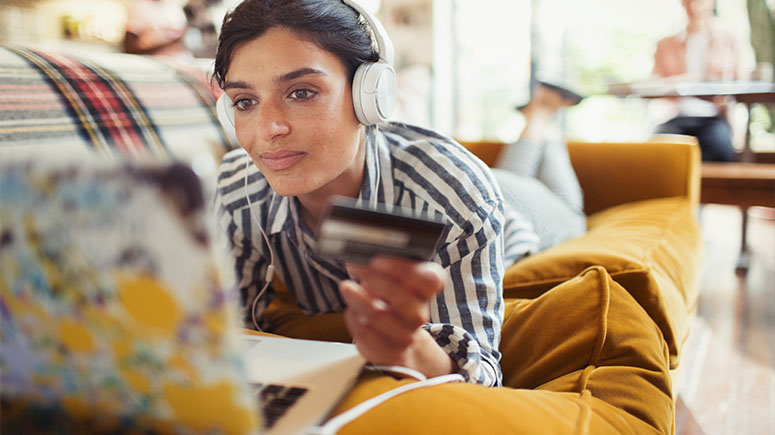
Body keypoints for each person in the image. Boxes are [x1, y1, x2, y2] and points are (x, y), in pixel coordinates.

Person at [212, 0, 541, 386]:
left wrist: (413, 348)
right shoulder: (238, 190)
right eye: (245, 102)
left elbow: (482, 377)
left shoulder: (458, 197)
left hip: (526, 217)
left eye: (301, 93)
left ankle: (540, 118)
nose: (268, 129)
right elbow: (223, 333)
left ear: (369, 96)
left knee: (539, 177)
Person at [651, 0, 755, 162]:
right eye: (689, 1)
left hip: (715, 117)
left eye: (700, 1)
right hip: (676, 116)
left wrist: (723, 97)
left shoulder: (730, 40)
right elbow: (655, 84)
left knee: (720, 150)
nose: (695, 6)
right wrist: (680, 82)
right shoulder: (665, 44)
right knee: (657, 153)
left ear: (712, 3)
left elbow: (743, 81)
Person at [493, 81, 586, 253]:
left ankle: (539, 114)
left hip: (506, 197)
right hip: (558, 223)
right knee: (514, 176)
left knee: (510, 179)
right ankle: (540, 115)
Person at [123, 0, 190, 58]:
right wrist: (168, 46)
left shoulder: (172, 8)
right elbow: (130, 48)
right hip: (150, 59)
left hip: (177, 58)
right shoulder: (140, 7)